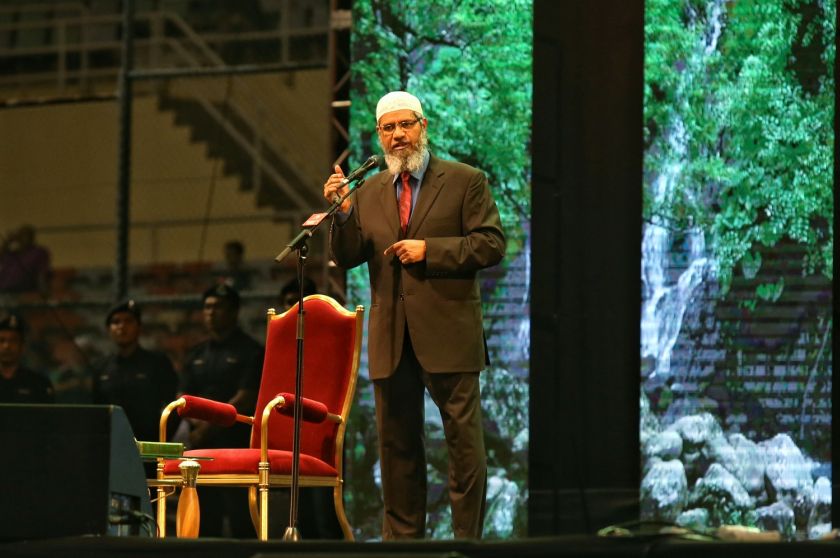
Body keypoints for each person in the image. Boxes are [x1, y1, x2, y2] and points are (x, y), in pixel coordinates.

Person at [323, 91, 506, 539]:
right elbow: (347, 257)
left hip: (449, 334)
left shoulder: (466, 181)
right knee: (398, 451)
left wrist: (432, 251)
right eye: (389, 128)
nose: (398, 135)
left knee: (465, 450)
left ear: (423, 126)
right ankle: (402, 547)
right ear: (380, 136)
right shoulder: (367, 192)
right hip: (391, 339)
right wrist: (343, 215)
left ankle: (467, 543)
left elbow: (491, 244)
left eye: (406, 125)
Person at [179, 283, 264, 537]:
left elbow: (246, 397)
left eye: (219, 307)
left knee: (241, 518)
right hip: (200, 450)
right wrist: (196, 426)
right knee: (204, 518)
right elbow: (184, 396)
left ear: (234, 311)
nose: (211, 313)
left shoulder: (251, 351)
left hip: (237, 446)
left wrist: (206, 427)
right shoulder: (196, 353)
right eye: (207, 307)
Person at [92, 300, 179, 444]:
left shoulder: (157, 363)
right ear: (108, 329)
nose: (122, 326)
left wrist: (162, 442)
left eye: (128, 321)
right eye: (116, 322)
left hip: (150, 449)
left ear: (139, 327)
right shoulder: (100, 367)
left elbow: (173, 407)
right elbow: (97, 411)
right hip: (112, 446)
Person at [0, 313, 55, 403]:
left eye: (13, 340)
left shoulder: (38, 383)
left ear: (22, 346)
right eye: (1, 340)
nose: (7, 346)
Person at [0, 225, 51, 295]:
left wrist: (43, 291)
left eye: (25, 235)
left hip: (21, 291)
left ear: (32, 237)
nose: (22, 237)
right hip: (3, 289)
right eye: (20, 235)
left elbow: (41, 273)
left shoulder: (38, 252)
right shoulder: (12, 254)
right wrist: (7, 242)